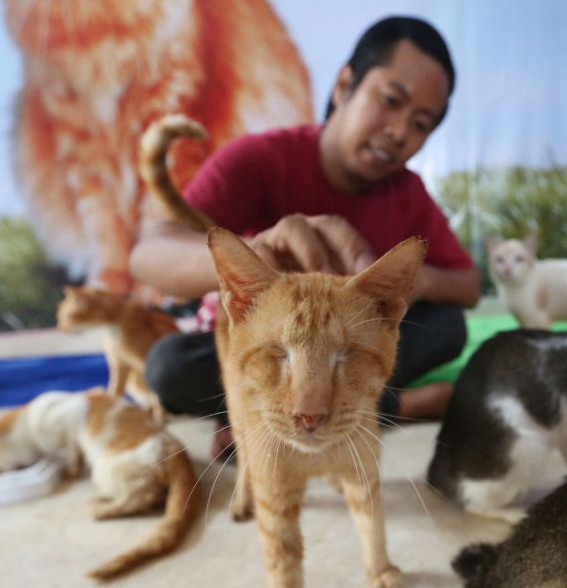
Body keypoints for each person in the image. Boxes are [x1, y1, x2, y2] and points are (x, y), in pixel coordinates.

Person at [129, 15, 481, 456]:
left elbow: (468, 284)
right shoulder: (259, 158)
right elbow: (147, 255)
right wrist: (254, 256)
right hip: (276, 356)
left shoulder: (408, 192)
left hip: (346, 357)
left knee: (448, 326)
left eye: (420, 124)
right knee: (168, 366)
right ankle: (388, 407)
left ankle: (284, 418)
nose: (398, 132)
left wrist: (413, 281)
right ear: (343, 85)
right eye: (391, 100)